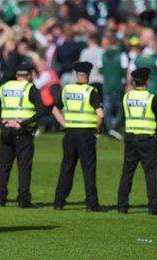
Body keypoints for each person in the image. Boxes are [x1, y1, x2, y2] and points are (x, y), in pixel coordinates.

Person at [51, 61, 107, 212]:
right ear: (88, 75)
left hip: (70, 133)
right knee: (88, 169)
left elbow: (55, 110)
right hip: (86, 134)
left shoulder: (67, 89)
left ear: (76, 75)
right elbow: (100, 114)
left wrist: (64, 124)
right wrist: (98, 129)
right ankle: (91, 204)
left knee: (67, 167)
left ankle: (58, 202)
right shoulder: (91, 91)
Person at [0, 63, 46, 208]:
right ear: (29, 76)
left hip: (6, 130)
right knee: (24, 167)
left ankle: (0, 199)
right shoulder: (30, 88)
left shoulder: (3, 87)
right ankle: (23, 200)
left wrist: (2, 121)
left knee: (4, 166)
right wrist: (23, 123)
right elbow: (41, 111)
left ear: (17, 75)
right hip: (23, 131)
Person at [117, 68, 157, 215]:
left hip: (130, 138)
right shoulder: (151, 98)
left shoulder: (126, 97)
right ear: (146, 82)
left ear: (134, 81)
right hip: (147, 138)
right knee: (150, 173)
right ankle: (153, 207)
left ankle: (122, 206)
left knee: (127, 172)